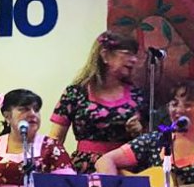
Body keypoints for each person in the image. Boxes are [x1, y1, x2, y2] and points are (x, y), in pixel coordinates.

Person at [50, 31, 146, 173]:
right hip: (86, 170)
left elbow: (149, 140)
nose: (133, 60)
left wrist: (139, 131)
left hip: (127, 170)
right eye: (127, 53)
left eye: (134, 55)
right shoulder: (75, 93)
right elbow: (55, 140)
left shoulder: (136, 95)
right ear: (105, 55)